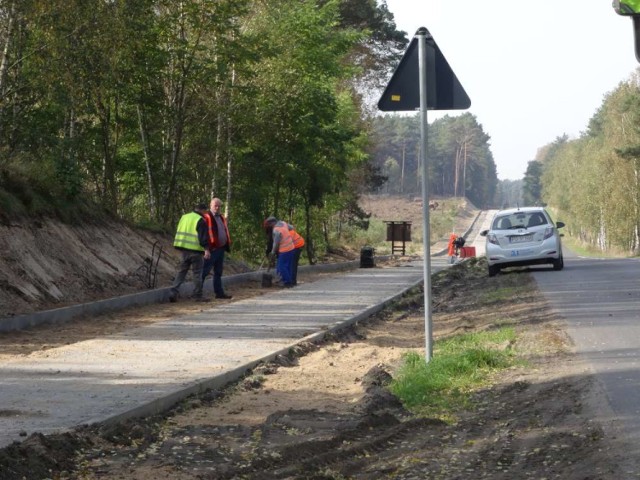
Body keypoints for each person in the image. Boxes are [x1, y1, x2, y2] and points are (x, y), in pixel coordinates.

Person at [169, 203, 211, 302]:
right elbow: (203, 238)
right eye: (205, 211)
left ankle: (173, 292)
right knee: (197, 273)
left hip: (184, 250)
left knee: (182, 272)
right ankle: (198, 295)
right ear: (202, 210)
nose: (206, 213)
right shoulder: (200, 220)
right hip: (196, 251)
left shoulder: (184, 217)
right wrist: (207, 249)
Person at [201, 197, 233, 299]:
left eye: (219, 206)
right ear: (211, 205)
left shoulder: (221, 217)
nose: (217, 208)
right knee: (204, 271)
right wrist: (206, 248)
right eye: (215, 205)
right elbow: (203, 233)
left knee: (218, 272)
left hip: (221, 248)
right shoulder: (206, 217)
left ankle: (219, 293)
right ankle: (197, 293)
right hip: (212, 249)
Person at [263, 216, 295, 287]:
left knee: (281, 267)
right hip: (291, 248)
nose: (268, 227)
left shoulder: (276, 230)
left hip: (285, 250)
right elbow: (292, 227)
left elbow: (276, 243)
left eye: (268, 225)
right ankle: (289, 282)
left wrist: (272, 252)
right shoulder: (283, 223)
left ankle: (287, 282)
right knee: (288, 266)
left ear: (271, 223)